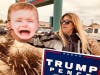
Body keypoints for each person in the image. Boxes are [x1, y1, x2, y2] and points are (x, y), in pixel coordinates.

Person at [0, 2, 42, 75]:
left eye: (30, 21)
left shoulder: (44, 52)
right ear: (9, 24)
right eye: (18, 21)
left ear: (37, 25)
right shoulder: (2, 50)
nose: (25, 24)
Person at [32, 13, 100, 55]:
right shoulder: (53, 37)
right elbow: (34, 41)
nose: (63, 23)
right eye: (62, 21)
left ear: (74, 24)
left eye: (67, 22)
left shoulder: (88, 41)